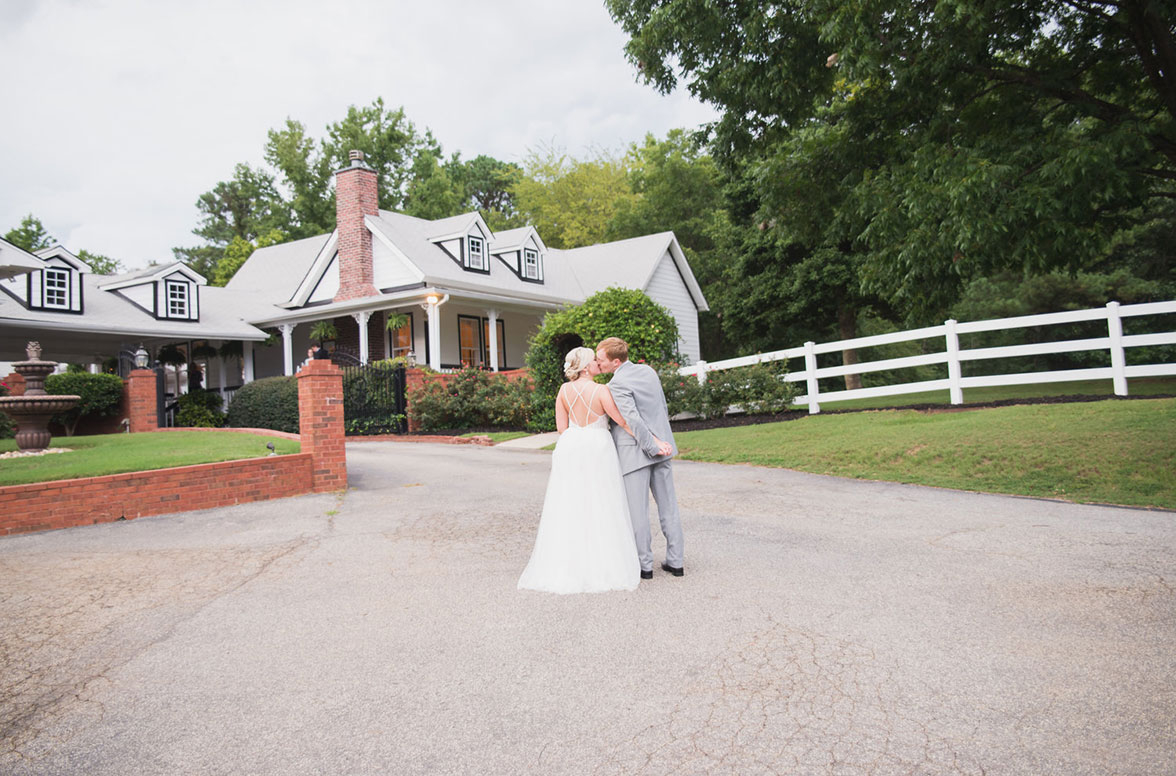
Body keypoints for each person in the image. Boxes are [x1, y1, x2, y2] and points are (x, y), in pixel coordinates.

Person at [518, 347, 665, 594]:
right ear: (586, 367)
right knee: (602, 502)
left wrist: (577, 441)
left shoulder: (564, 391)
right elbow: (624, 422)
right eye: (594, 361)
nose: (598, 363)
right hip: (598, 447)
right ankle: (605, 561)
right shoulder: (601, 391)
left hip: (571, 447)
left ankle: (569, 562)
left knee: (571, 504)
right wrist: (653, 441)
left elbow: (561, 427)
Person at [595, 337, 684, 579]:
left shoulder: (616, 384)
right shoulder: (648, 371)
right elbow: (661, 408)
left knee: (638, 511)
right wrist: (661, 440)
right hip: (663, 447)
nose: (597, 363)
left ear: (615, 362)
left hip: (636, 451)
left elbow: (631, 418)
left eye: (600, 359)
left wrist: (651, 445)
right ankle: (676, 562)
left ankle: (644, 565)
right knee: (669, 506)